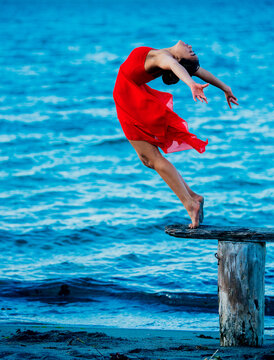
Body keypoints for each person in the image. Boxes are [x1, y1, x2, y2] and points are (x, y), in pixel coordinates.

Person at [113, 40, 238, 228]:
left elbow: (174, 65)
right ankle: (193, 196)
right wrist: (225, 88)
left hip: (128, 97)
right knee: (147, 160)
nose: (190, 47)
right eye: (193, 51)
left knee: (151, 158)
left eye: (191, 52)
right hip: (131, 93)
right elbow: (199, 71)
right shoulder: (169, 58)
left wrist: (191, 84)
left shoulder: (163, 58)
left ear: (179, 59)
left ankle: (190, 203)